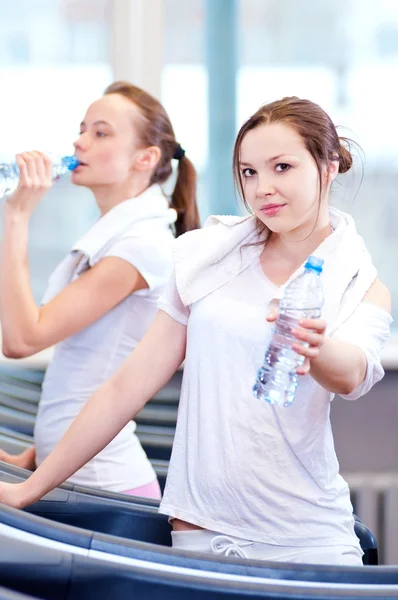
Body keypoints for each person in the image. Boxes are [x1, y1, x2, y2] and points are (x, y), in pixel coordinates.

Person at [0, 97, 391, 564]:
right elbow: (125, 387)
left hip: (308, 539)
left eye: (282, 167)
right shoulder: (207, 257)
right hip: (200, 536)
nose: (263, 188)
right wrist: (30, 490)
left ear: (328, 167)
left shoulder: (360, 283)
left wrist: (318, 347)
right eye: (249, 172)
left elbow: (352, 373)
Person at [0, 81, 199, 498]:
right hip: (75, 475)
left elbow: (22, 339)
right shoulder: (118, 232)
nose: (79, 141)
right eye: (82, 129)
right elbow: (90, 364)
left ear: (146, 158)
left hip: (104, 486)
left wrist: (17, 217)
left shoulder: (140, 247)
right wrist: (38, 453)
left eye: (100, 133)